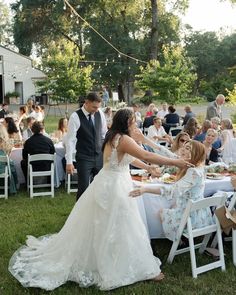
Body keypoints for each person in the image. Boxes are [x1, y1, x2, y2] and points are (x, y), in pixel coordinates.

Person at [9, 108, 192, 291]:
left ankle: (108, 257)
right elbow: (145, 154)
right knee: (123, 222)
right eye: (133, 121)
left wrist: (148, 168)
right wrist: (175, 162)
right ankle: (125, 266)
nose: (135, 124)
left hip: (107, 181)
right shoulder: (125, 139)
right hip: (115, 185)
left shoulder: (114, 136)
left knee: (104, 223)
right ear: (127, 123)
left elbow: (128, 158)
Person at [130, 140, 214, 242]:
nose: (183, 149)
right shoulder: (198, 166)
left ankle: (177, 240)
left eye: (188, 148)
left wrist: (145, 189)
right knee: (172, 205)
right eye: (184, 146)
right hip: (201, 215)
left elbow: (172, 191)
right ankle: (182, 237)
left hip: (190, 218)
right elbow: (166, 153)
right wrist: (144, 139)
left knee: (160, 212)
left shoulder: (193, 172)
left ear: (196, 153)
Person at [66, 92, 107, 200]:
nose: (96, 109)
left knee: (100, 187)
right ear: (86, 102)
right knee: (83, 188)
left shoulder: (100, 114)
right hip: (84, 157)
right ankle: (79, 215)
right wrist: (69, 162)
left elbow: (103, 134)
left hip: (99, 157)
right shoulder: (75, 116)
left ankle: (96, 212)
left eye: (98, 107)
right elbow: (70, 140)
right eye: (94, 107)